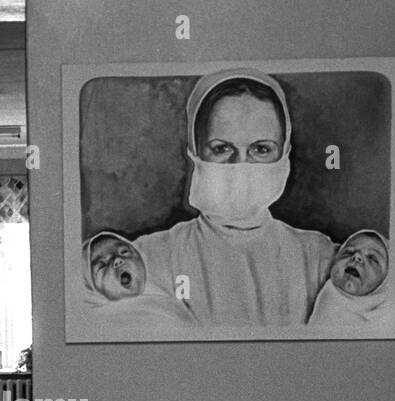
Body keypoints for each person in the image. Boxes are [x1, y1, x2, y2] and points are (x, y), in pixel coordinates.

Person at [132, 67, 336, 327]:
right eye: (222, 148)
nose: (241, 164)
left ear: (284, 152)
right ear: (195, 151)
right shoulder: (149, 258)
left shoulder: (320, 258)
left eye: (261, 149)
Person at [81, 231, 199, 329]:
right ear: (91, 289)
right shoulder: (109, 323)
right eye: (102, 266)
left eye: (124, 252)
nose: (117, 260)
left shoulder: (162, 301)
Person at [307, 230, 395, 332]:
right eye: (348, 252)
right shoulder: (325, 290)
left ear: (385, 281)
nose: (357, 257)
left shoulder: (383, 317)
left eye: (372, 258)